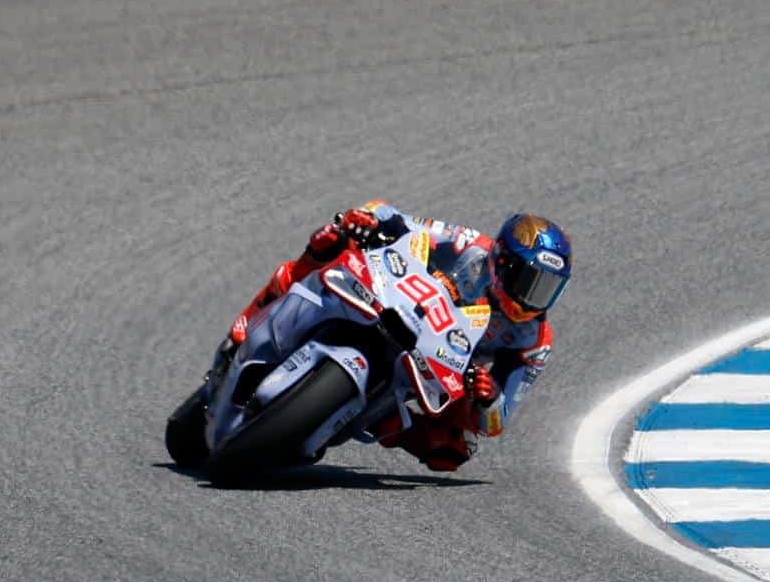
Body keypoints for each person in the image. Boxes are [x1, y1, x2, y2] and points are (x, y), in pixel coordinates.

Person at [222, 202, 571, 472]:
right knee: (329, 242)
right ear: (502, 262)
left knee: (454, 448)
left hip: (440, 365)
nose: (532, 299)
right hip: (397, 305)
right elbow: (395, 218)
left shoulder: (535, 339)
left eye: (547, 289)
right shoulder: (468, 245)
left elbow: (497, 421)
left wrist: (489, 396)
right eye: (528, 281)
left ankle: (381, 422)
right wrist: (371, 222)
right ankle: (251, 323)